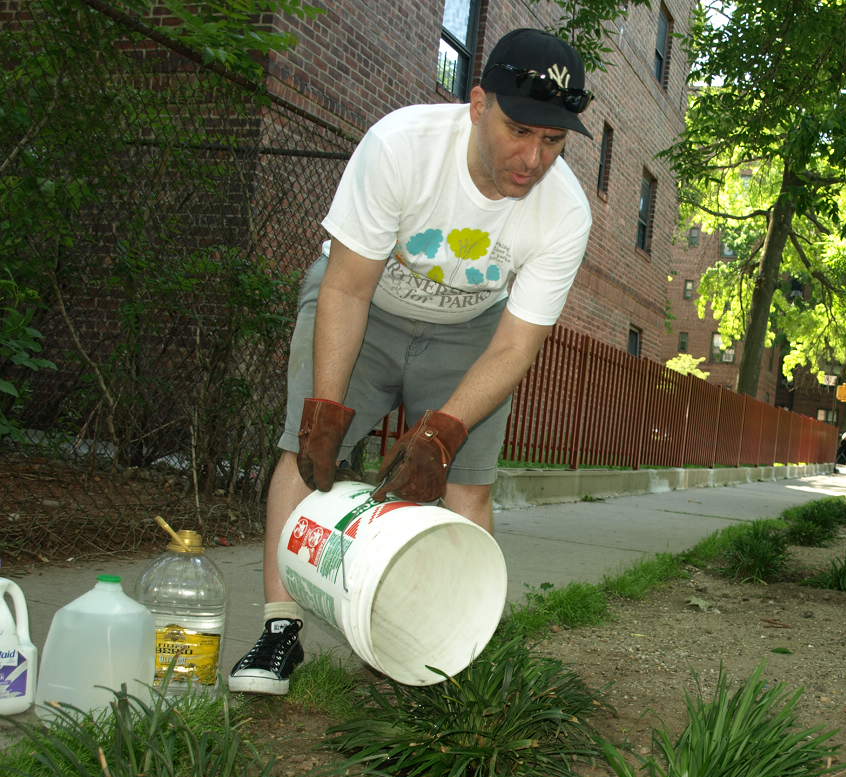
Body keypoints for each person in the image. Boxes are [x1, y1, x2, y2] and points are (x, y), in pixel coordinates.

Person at [229, 29, 595, 694]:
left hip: (471, 332)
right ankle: (279, 630)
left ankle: (442, 650)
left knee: (469, 485)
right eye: (519, 131)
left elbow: (516, 344)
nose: (534, 158)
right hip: (365, 307)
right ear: (478, 104)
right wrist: (325, 413)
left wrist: (443, 432)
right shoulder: (403, 144)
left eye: (553, 141)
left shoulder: (565, 211)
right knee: (303, 455)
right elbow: (347, 287)